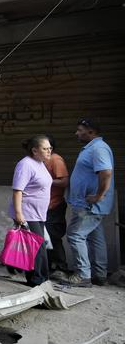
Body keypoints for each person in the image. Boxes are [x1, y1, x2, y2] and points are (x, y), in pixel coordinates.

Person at [65, 119, 114, 287]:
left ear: (91, 132)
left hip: (89, 206)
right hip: (87, 204)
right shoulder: (93, 148)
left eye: (80, 130)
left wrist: (99, 195)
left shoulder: (98, 148)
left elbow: (106, 172)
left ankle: (83, 275)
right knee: (95, 237)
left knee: (75, 234)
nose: (76, 133)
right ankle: (99, 275)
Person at [8, 135, 53, 286]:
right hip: (28, 212)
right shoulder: (25, 164)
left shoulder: (40, 164)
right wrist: (19, 214)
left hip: (39, 213)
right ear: (34, 150)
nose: (49, 151)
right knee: (38, 248)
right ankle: (37, 281)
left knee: (38, 246)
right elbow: (17, 191)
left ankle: (37, 276)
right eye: (45, 148)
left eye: (50, 148)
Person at [44, 135, 69, 274]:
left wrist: (46, 181)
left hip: (54, 206)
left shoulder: (55, 160)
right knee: (44, 238)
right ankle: (48, 267)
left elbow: (64, 182)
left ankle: (61, 267)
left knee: (53, 237)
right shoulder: (42, 161)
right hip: (43, 206)